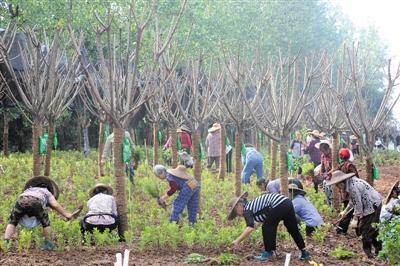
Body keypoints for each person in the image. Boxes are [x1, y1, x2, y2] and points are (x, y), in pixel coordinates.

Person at [228, 192, 311, 261]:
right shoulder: (253, 206)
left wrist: (237, 241)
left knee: (266, 227)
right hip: (286, 202)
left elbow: (250, 227)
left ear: (238, 206)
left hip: (278, 203)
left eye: (235, 212)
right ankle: (304, 252)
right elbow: (271, 224)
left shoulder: (247, 209)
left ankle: (268, 253)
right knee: (292, 228)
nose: (238, 215)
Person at [4, 176, 75, 250]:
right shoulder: (47, 192)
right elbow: (55, 205)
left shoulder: (29, 190)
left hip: (21, 200)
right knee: (45, 223)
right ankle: (48, 244)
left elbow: (26, 202)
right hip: (36, 202)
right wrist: (66, 214)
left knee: (12, 222)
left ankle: (6, 243)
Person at [327, 171, 382, 258]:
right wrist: (345, 211)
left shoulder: (353, 186)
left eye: (337, 185)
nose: (338, 188)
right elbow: (353, 201)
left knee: (365, 230)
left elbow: (358, 204)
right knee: (370, 229)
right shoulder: (351, 183)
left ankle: (369, 255)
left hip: (373, 205)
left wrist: (355, 219)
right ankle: (378, 249)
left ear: (341, 183)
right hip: (372, 204)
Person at [335, 148, 358, 235]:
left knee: (347, 209)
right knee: (350, 211)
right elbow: (356, 178)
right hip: (350, 191)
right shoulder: (350, 166)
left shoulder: (340, 166)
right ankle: (342, 229)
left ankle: (341, 229)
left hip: (343, 191)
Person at [316, 140, 333, 205]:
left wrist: (329, 172)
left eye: (323, 151)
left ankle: (333, 205)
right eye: (321, 151)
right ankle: (329, 204)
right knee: (326, 189)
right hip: (327, 176)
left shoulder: (333, 155)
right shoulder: (323, 156)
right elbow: (322, 165)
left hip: (334, 176)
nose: (322, 152)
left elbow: (336, 166)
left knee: (332, 191)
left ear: (328, 149)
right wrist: (321, 172)